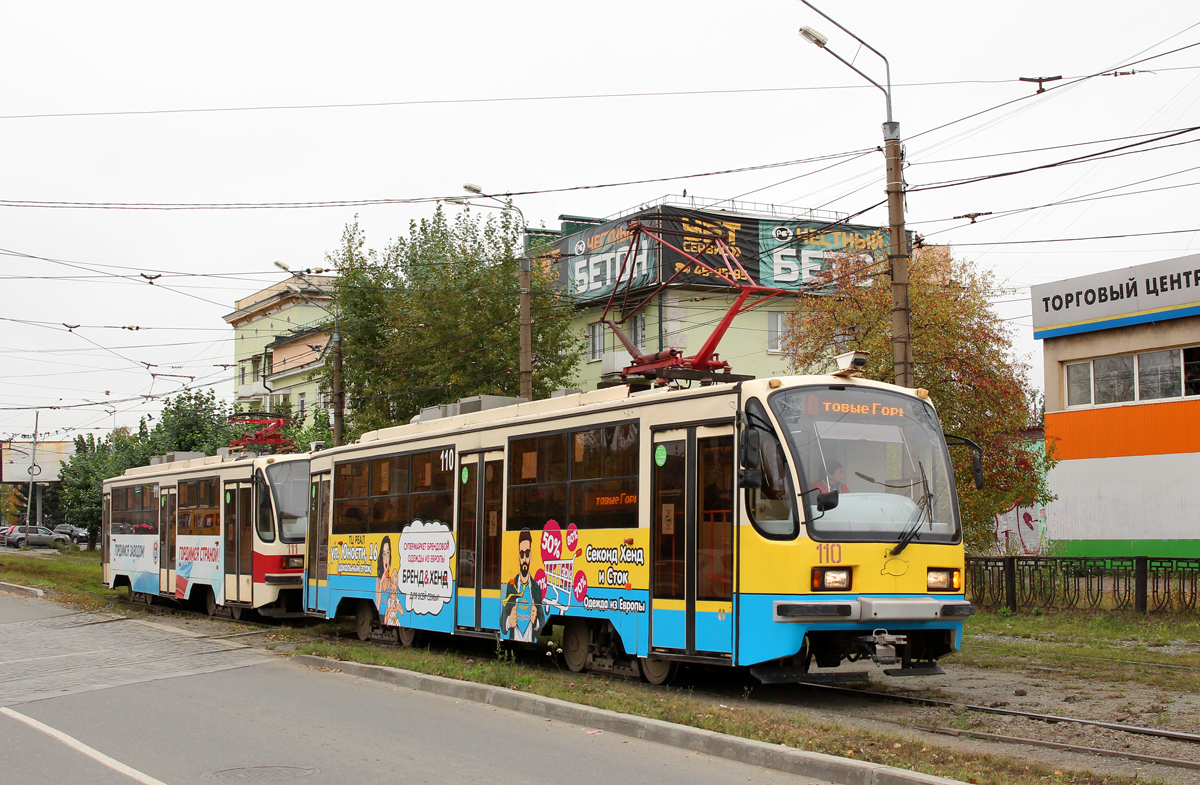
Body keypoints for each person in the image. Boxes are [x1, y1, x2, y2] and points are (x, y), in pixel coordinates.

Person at [500, 528, 544, 641]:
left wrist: (536, 623)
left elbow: (542, 620)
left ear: (531, 556)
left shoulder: (536, 588)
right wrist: (508, 622)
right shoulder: (511, 586)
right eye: (522, 554)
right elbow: (503, 615)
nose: (524, 559)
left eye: (527, 553)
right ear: (519, 557)